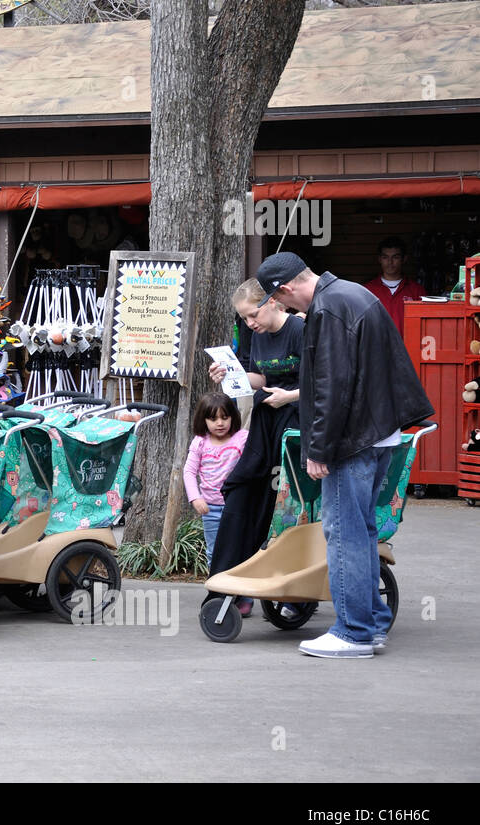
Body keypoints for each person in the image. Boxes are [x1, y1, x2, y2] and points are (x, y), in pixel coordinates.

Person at [257, 251, 433, 659]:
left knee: (345, 533)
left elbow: (332, 387)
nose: (288, 310)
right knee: (363, 531)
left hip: (353, 439)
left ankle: (353, 632)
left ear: (284, 289)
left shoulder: (329, 309)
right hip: (379, 433)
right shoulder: (352, 294)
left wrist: (318, 448)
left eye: (283, 303)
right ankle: (368, 624)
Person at [207, 279, 305, 601]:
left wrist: (289, 397)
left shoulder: (301, 330)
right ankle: (227, 584)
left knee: (287, 501)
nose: (249, 324)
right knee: (243, 488)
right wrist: (230, 374)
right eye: (244, 318)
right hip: (267, 418)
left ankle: (291, 587)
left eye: (252, 316)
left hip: (298, 423)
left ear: (274, 302)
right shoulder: (259, 336)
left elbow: (325, 382)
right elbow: (262, 377)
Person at [183, 393, 249, 592]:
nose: (220, 423)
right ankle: (218, 593)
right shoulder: (200, 442)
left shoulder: (242, 439)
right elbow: (189, 471)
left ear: (233, 417)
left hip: (236, 507)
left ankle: (243, 595)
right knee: (215, 552)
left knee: (240, 551)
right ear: (203, 420)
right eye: (213, 419)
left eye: (225, 417)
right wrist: (195, 498)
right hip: (210, 509)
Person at [362, 237, 425, 335]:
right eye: (385, 257)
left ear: (404, 259)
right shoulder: (367, 290)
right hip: (376, 348)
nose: (390, 262)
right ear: (379, 259)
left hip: (407, 349)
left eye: (395, 257)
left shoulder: (417, 290)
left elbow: (424, 326)